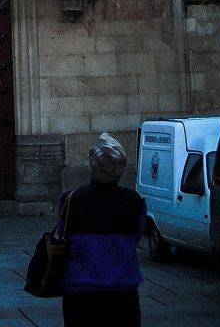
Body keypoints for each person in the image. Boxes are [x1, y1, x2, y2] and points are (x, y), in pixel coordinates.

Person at [60, 132, 146, 327]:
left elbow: (62, 232)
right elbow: (137, 235)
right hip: (123, 290)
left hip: (80, 289)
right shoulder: (135, 202)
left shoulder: (71, 200)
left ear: (93, 166)